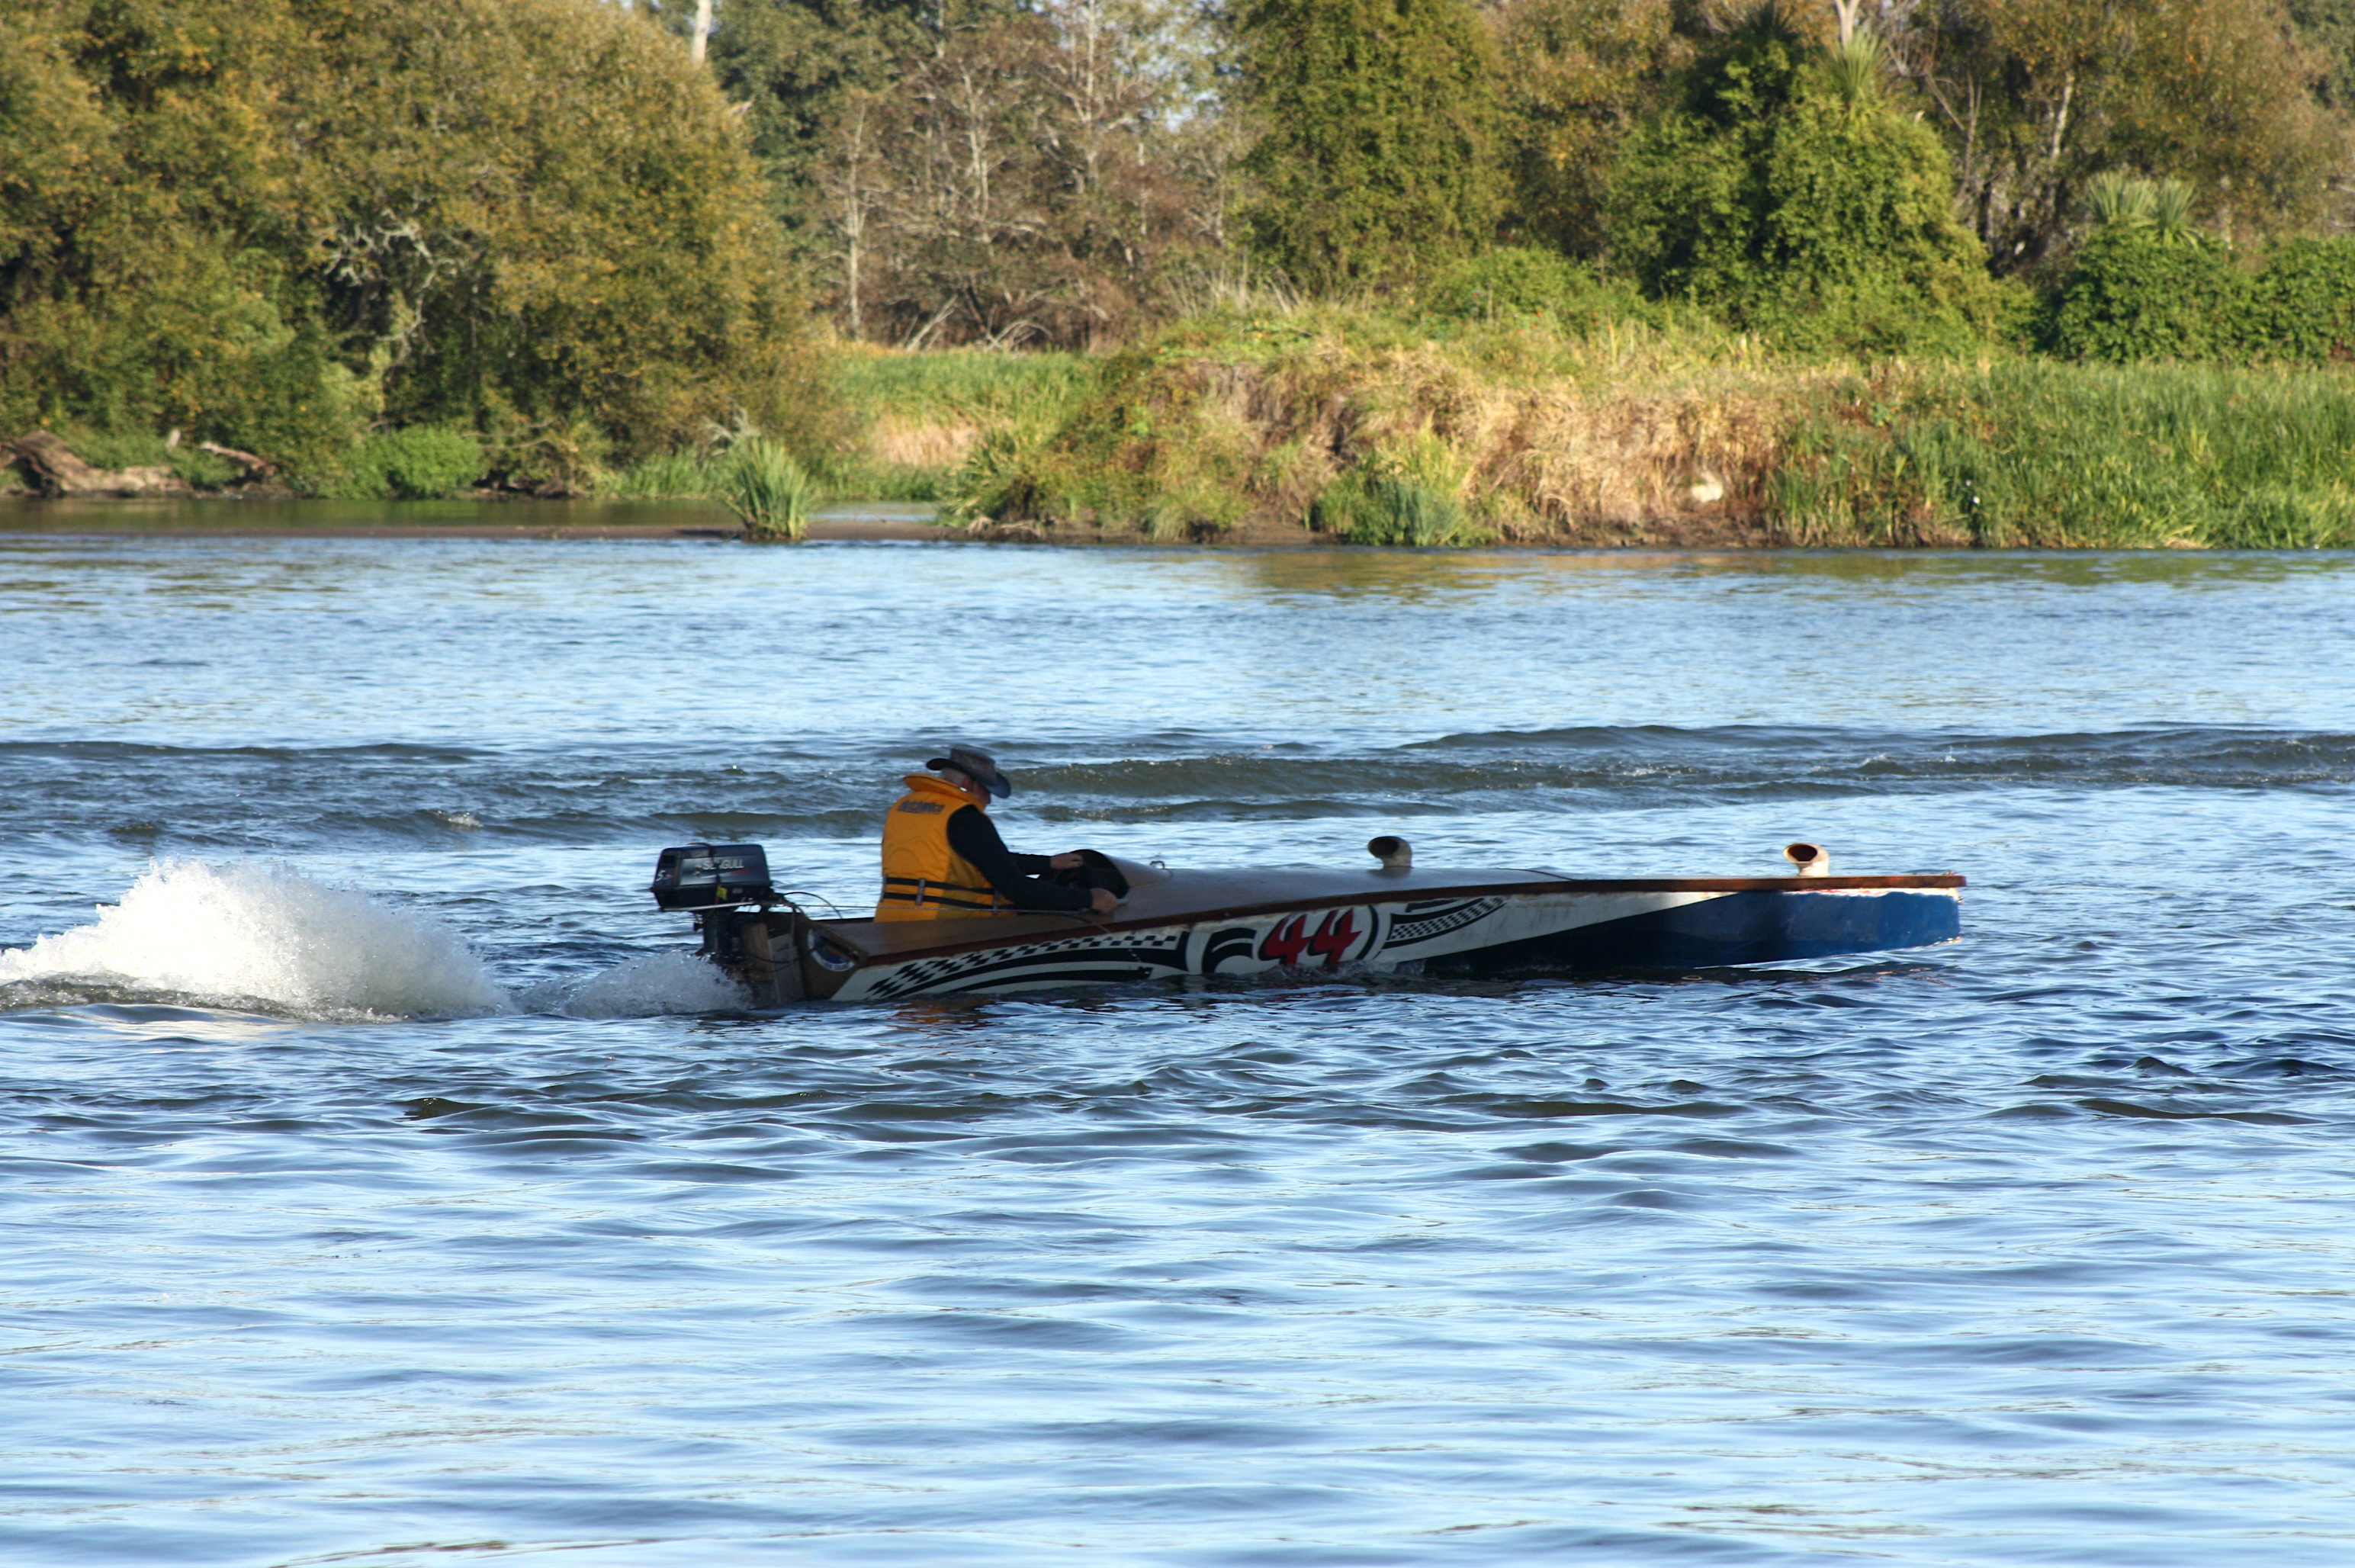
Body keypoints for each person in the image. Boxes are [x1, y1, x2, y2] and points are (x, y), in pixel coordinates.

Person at [875, 746, 1120, 921]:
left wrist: (1048, 863)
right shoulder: (966, 817)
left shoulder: (906, 807)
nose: (990, 800)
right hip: (946, 926)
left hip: (892, 919)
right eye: (987, 790)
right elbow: (1016, 888)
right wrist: (1090, 898)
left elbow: (975, 860)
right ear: (969, 785)